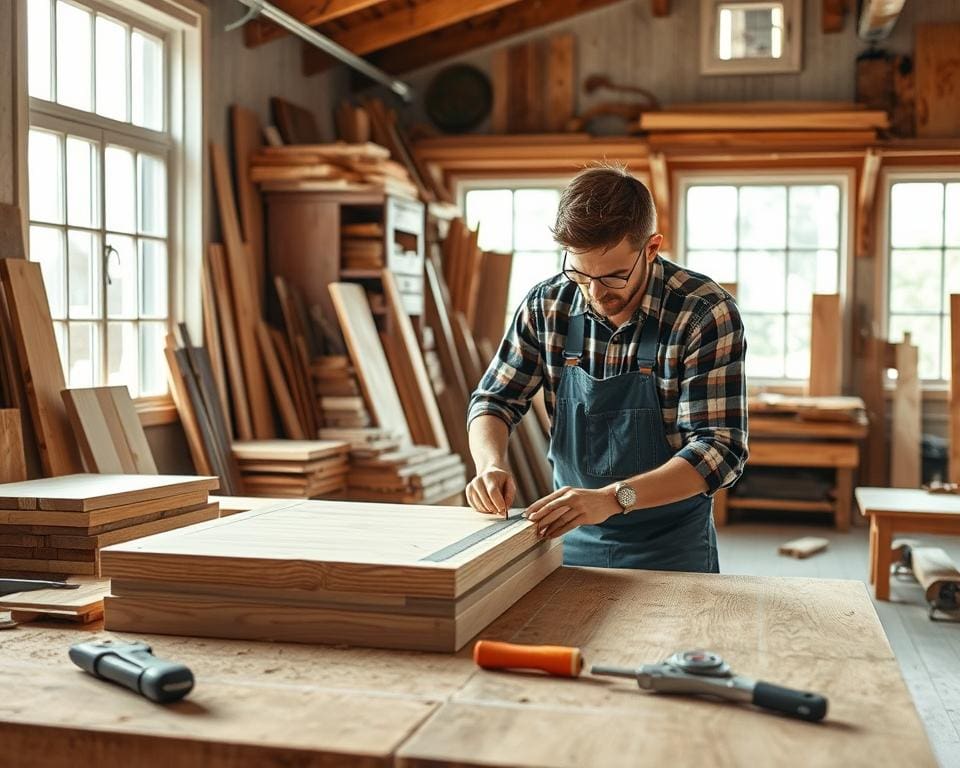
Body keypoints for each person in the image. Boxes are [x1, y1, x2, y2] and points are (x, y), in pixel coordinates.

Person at [464, 164, 748, 572]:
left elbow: (719, 450)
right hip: (567, 535)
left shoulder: (704, 313)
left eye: (614, 276)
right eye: (580, 273)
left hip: (670, 544)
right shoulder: (547, 305)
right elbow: (495, 398)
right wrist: (490, 464)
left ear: (651, 248)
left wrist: (613, 499)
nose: (595, 293)